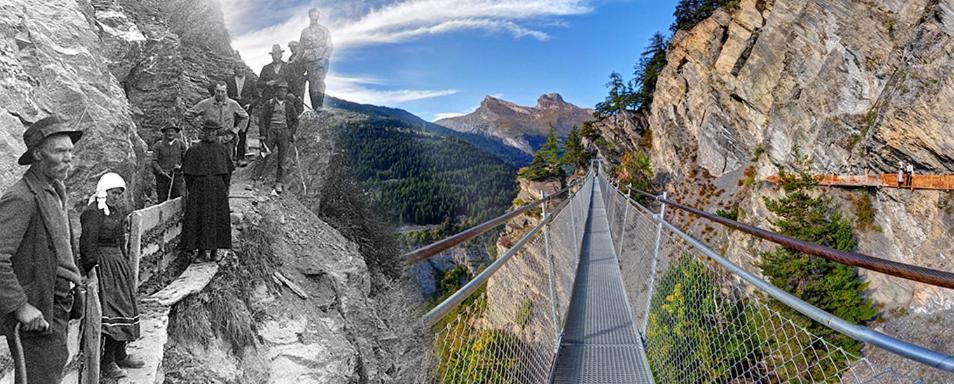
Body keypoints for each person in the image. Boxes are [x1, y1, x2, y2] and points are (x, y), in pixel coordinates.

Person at [0, 116, 84, 383]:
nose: (69, 157)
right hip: (37, 312)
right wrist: (21, 307)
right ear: (37, 154)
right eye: (60, 151)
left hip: (57, 305)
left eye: (70, 150)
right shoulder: (21, 198)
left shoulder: (55, 190)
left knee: (52, 372)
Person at [79, 173, 143, 378]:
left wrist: (124, 263)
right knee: (112, 309)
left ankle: (120, 353)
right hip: (103, 264)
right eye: (113, 193)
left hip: (117, 264)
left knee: (125, 305)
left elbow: (120, 239)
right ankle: (108, 362)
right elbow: (87, 243)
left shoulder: (115, 211)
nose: (116, 197)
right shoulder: (92, 212)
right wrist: (91, 271)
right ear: (103, 190)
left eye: (119, 194)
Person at [180, 121, 234, 262]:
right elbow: (188, 175)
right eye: (208, 131)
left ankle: (215, 251)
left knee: (217, 218)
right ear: (203, 132)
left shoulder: (221, 149)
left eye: (213, 131)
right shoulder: (194, 150)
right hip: (199, 188)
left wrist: (224, 188)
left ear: (216, 133)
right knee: (199, 218)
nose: (210, 134)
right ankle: (201, 252)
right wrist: (195, 190)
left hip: (218, 188)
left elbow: (227, 172)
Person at [185, 81, 249, 161]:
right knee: (210, 162)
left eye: (222, 92)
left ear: (226, 91)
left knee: (227, 164)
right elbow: (188, 114)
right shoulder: (206, 103)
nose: (220, 94)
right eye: (218, 91)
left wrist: (236, 130)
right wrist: (199, 127)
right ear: (214, 90)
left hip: (227, 139)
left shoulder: (233, 104)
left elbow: (245, 117)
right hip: (209, 139)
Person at [260, 81, 303, 194]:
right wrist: (263, 134)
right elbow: (262, 120)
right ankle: (254, 180)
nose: (282, 92)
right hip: (271, 131)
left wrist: (290, 132)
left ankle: (278, 182)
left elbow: (295, 121)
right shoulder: (268, 103)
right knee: (264, 154)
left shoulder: (289, 105)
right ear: (276, 91)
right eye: (280, 90)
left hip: (284, 132)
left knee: (282, 159)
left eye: (284, 91)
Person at [300, 8, 333, 109]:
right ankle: (315, 107)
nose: (314, 17)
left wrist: (325, 58)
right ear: (309, 16)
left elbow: (329, 46)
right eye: (312, 15)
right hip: (309, 61)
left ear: (318, 16)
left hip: (320, 59)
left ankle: (320, 105)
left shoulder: (324, 30)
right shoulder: (305, 31)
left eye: (316, 15)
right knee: (312, 84)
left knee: (319, 82)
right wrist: (297, 62)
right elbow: (301, 48)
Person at [226, 65, 258, 166]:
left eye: (242, 68)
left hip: (245, 111)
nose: (240, 70)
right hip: (231, 110)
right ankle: (229, 158)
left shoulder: (250, 81)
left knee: (242, 134)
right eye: (238, 68)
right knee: (229, 132)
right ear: (234, 69)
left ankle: (240, 158)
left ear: (245, 70)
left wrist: (250, 105)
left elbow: (257, 97)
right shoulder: (228, 80)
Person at [152, 125, 187, 202]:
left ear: (176, 133)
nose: (170, 133)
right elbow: (154, 161)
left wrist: (180, 167)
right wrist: (161, 172)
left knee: (177, 200)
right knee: (162, 199)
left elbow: (186, 160)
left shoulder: (181, 144)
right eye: (168, 131)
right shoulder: (158, 145)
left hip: (177, 178)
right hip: (162, 178)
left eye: (172, 131)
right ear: (164, 133)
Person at [286, 40, 308, 111]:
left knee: (299, 98)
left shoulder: (303, 57)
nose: (292, 49)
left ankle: (299, 112)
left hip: (300, 81)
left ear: (298, 47)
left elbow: (309, 69)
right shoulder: (290, 58)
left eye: (293, 47)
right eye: (291, 48)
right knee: (291, 97)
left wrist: (305, 78)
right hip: (291, 81)